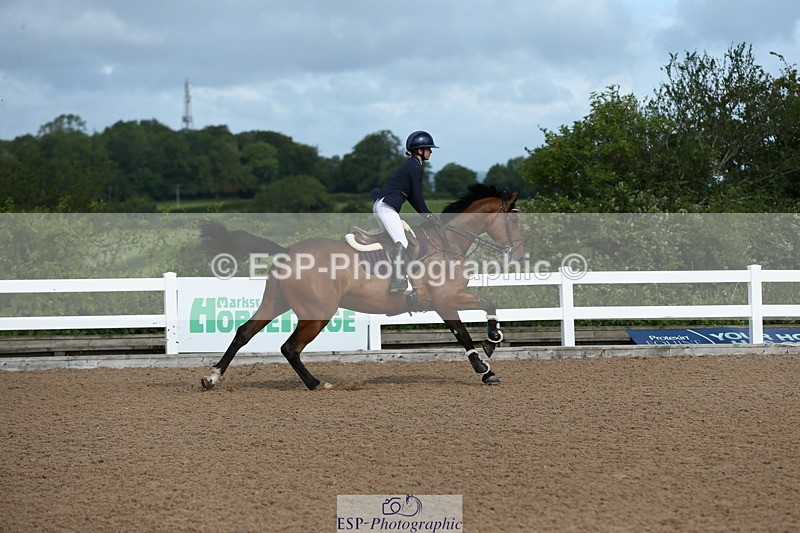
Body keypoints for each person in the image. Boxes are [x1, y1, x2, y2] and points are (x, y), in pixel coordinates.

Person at [371, 130, 440, 293]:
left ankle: (385, 274)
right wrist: (427, 214)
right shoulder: (415, 167)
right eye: (429, 148)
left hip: (382, 205)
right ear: (420, 150)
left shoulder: (412, 165)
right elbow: (417, 195)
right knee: (402, 241)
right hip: (386, 207)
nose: (431, 152)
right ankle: (397, 281)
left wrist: (426, 213)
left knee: (392, 240)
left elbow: (412, 197)